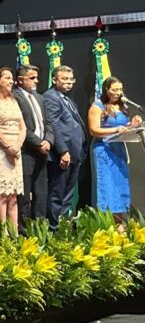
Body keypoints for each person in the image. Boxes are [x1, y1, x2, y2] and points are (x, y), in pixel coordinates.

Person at [88, 76, 142, 217]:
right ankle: (106, 222)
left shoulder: (122, 106)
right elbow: (94, 130)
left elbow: (122, 128)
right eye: (114, 89)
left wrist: (132, 125)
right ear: (106, 90)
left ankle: (120, 221)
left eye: (120, 89)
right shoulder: (97, 106)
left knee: (120, 184)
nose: (118, 92)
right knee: (106, 185)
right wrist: (116, 129)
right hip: (104, 150)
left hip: (119, 149)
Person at [42, 65, 88, 227]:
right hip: (62, 155)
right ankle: (54, 229)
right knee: (57, 194)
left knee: (68, 195)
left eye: (71, 79)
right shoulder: (50, 97)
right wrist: (63, 151)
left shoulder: (67, 99)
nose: (69, 83)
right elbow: (53, 125)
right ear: (54, 80)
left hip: (75, 153)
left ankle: (63, 228)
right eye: (65, 79)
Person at [0, 67, 26, 228]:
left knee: (14, 195)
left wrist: (17, 146)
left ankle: (14, 234)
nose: (12, 81)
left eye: (12, 78)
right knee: (2, 194)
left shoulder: (13, 100)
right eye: (7, 78)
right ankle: (3, 233)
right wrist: (8, 146)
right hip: (1, 150)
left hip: (16, 150)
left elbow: (22, 126)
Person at [15, 65, 54, 223]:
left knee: (41, 193)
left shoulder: (39, 97)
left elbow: (48, 123)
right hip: (27, 151)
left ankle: (40, 229)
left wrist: (48, 141)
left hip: (43, 151)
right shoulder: (15, 97)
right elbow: (20, 125)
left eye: (36, 77)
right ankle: (25, 229)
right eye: (32, 78)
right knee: (25, 194)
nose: (36, 81)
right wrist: (38, 143)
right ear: (20, 80)